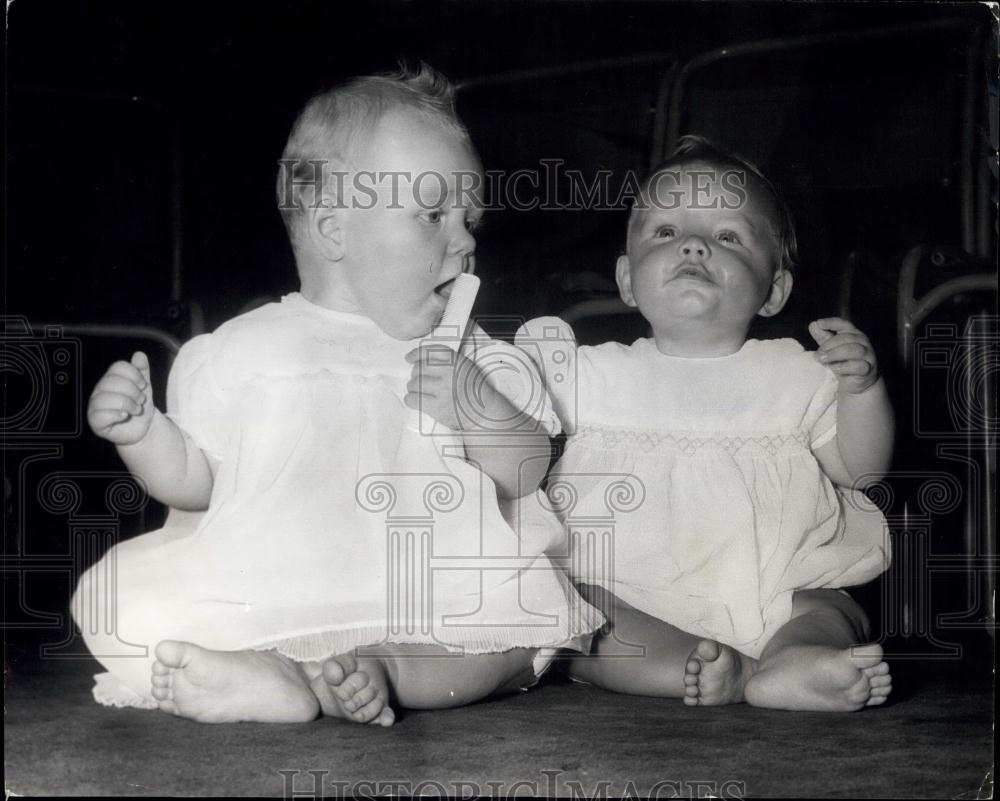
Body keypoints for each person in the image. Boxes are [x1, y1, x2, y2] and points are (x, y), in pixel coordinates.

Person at [77, 64, 602, 726]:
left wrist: (479, 407)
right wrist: (142, 433)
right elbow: (195, 481)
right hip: (281, 587)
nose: (466, 240)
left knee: (521, 627)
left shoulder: (469, 354)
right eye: (434, 214)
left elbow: (525, 467)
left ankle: (378, 668)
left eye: (470, 219)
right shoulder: (248, 351)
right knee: (128, 601)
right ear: (333, 229)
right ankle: (272, 672)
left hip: (432, 593)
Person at [515, 136, 893, 711]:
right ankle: (692, 667)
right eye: (665, 232)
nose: (693, 245)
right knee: (573, 614)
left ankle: (795, 658)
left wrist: (863, 391)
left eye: (727, 236)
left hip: (772, 583)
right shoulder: (585, 373)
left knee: (831, 606)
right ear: (625, 279)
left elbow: (862, 471)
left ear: (774, 290)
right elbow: (504, 411)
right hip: (629, 590)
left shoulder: (797, 373)